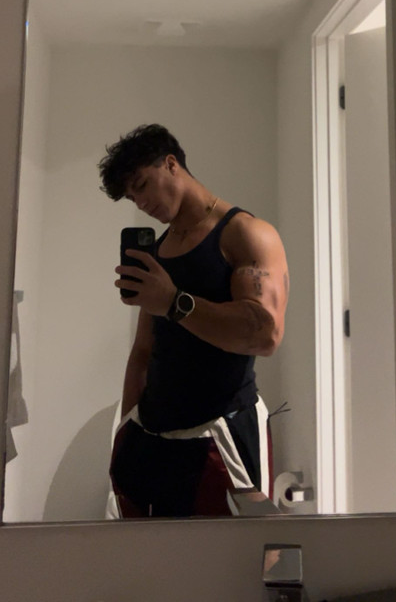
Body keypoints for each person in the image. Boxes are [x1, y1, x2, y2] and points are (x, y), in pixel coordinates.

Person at [98, 123, 289, 518]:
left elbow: (265, 335)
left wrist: (173, 301)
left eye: (142, 185)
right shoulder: (159, 250)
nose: (141, 202)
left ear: (171, 164)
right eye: (132, 196)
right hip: (150, 435)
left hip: (221, 436)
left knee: (227, 552)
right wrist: (126, 428)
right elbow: (144, 351)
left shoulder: (246, 234)